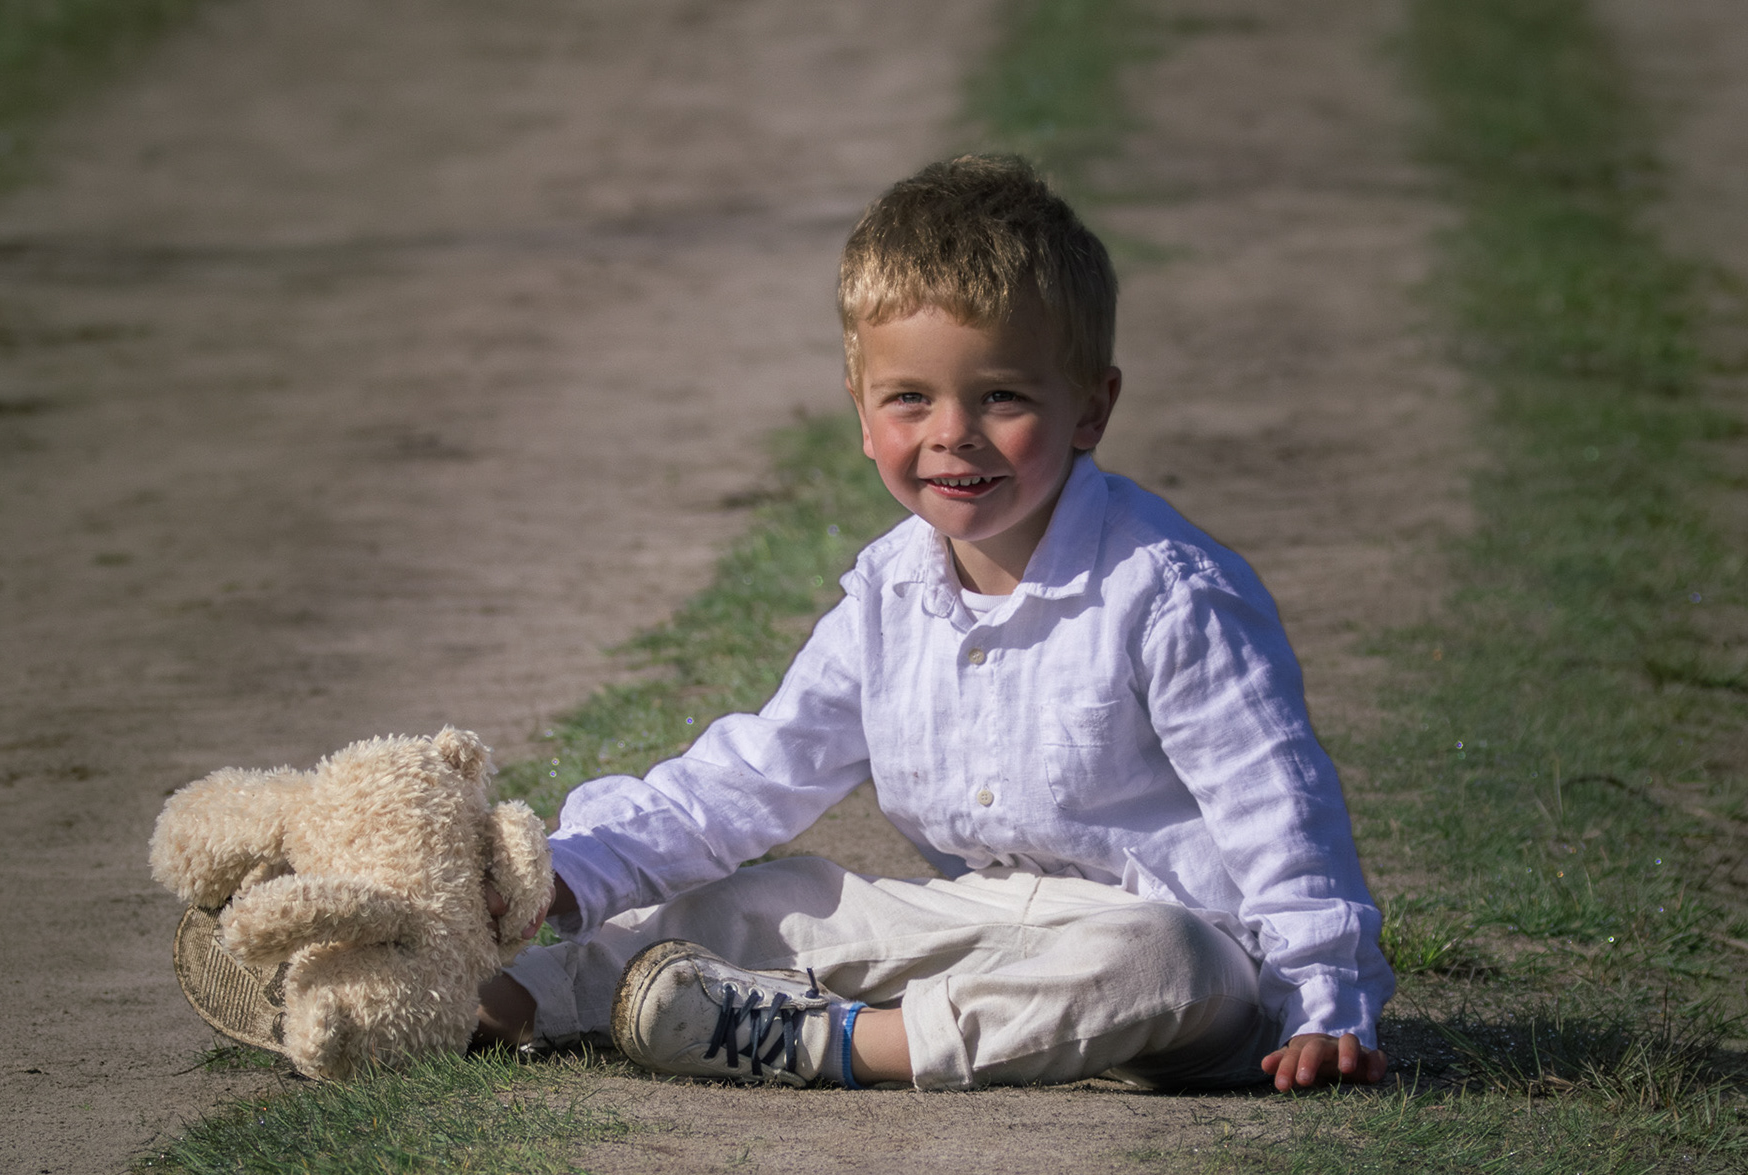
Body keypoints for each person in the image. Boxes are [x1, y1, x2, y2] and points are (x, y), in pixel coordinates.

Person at [474, 155, 1393, 1093]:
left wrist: (1325, 1000)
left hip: (1179, 969)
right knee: (770, 900)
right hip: (983, 929)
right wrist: (568, 873)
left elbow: (1276, 807)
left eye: (1003, 395)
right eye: (910, 398)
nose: (952, 432)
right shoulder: (888, 591)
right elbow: (754, 774)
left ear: (1092, 406)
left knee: (1158, 957)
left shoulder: (1166, 590)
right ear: (864, 418)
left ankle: (823, 1043)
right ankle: (496, 999)